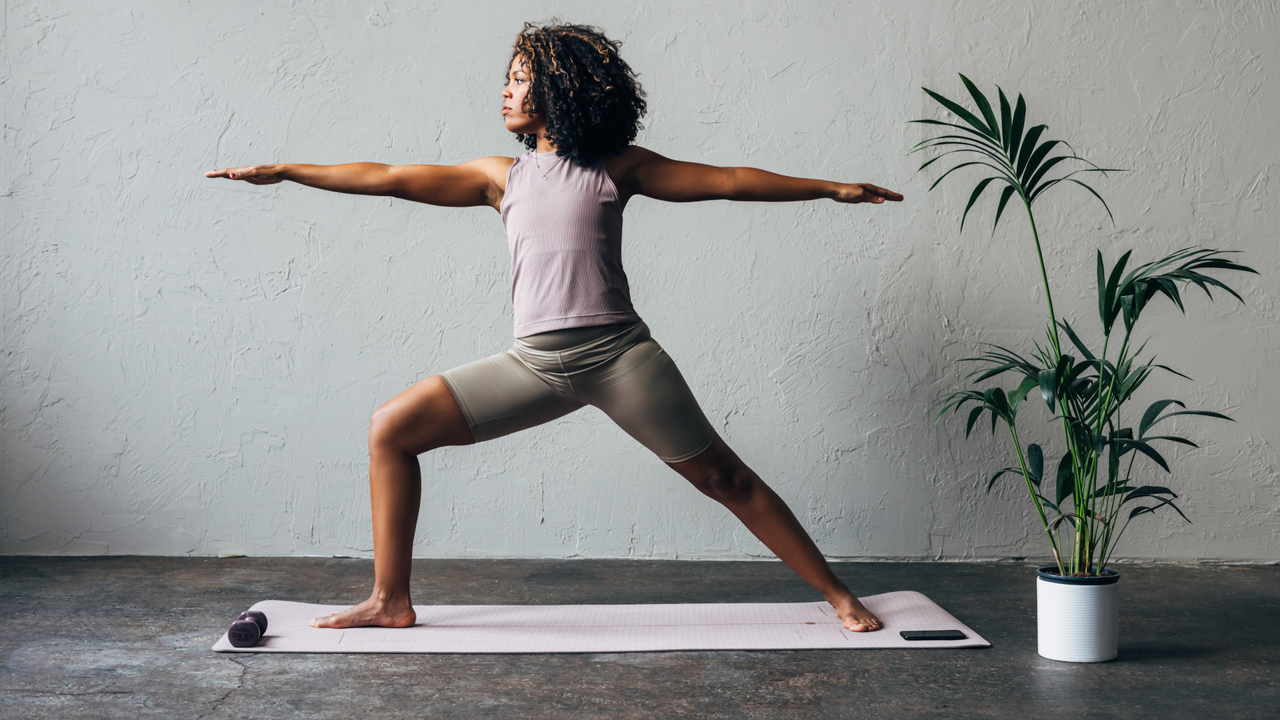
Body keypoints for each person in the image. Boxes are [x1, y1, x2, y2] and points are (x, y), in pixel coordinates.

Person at [206, 22, 903, 633]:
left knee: (724, 476)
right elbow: (389, 175)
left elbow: (725, 180)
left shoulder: (616, 168)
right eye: (507, 80)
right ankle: (390, 600)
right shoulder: (497, 177)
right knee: (390, 428)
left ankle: (839, 595)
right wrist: (288, 171)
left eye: (518, 80)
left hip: (620, 357)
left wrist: (829, 187)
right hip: (535, 365)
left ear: (560, 91)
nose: (504, 93)